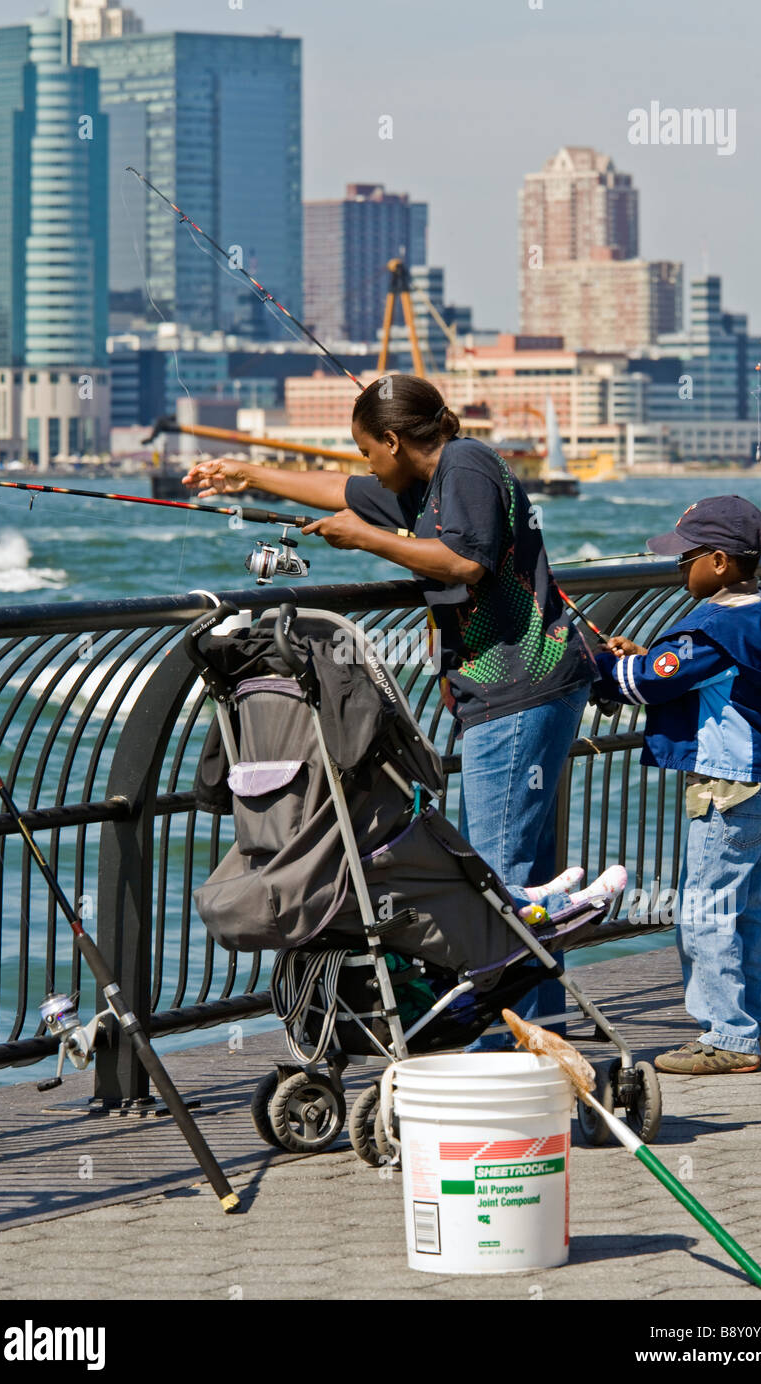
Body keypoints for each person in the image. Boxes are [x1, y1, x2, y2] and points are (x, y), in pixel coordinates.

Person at [183, 374, 595, 1040]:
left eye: (368, 449)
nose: (366, 463)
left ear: (396, 441)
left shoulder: (466, 464)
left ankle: (510, 1058)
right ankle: (544, 1050)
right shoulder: (421, 487)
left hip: (516, 689)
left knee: (496, 885)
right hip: (515, 690)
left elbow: (466, 563)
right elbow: (341, 493)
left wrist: (367, 541)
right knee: (526, 891)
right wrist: (245, 474)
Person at [593, 497, 761, 1075]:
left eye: (686, 559)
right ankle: (754, 1028)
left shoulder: (715, 624)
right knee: (748, 906)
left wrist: (596, 665)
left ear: (720, 562)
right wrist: (654, 659)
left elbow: (648, 685)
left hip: (728, 785)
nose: (678, 568)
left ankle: (727, 1037)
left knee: (704, 909)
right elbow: (688, 671)